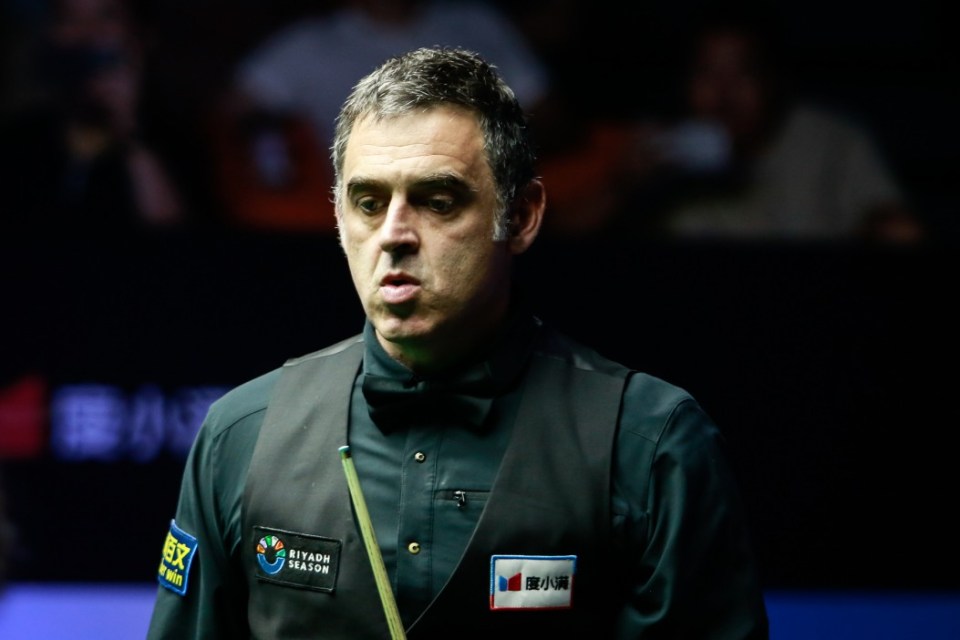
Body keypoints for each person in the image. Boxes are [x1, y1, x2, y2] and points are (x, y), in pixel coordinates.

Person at [146, 46, 769, 638]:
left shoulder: (652, 445)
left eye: (437, 201)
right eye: (367, 202)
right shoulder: (241, 435)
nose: (393, 234)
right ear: (338, 218)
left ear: (521, 216)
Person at [208, 0, 551, 234]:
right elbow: (232, 114)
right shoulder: (308, 44)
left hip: (482, 203)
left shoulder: (473, 22)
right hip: (361, 215)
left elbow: (545, 108)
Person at [623, 3, 925, 244]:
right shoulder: (656, 150)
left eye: (744, 72)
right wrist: (624, 185)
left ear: (772, 81)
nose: (724, 94)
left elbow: (900, 228)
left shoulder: (833, 141)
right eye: (707, 72)